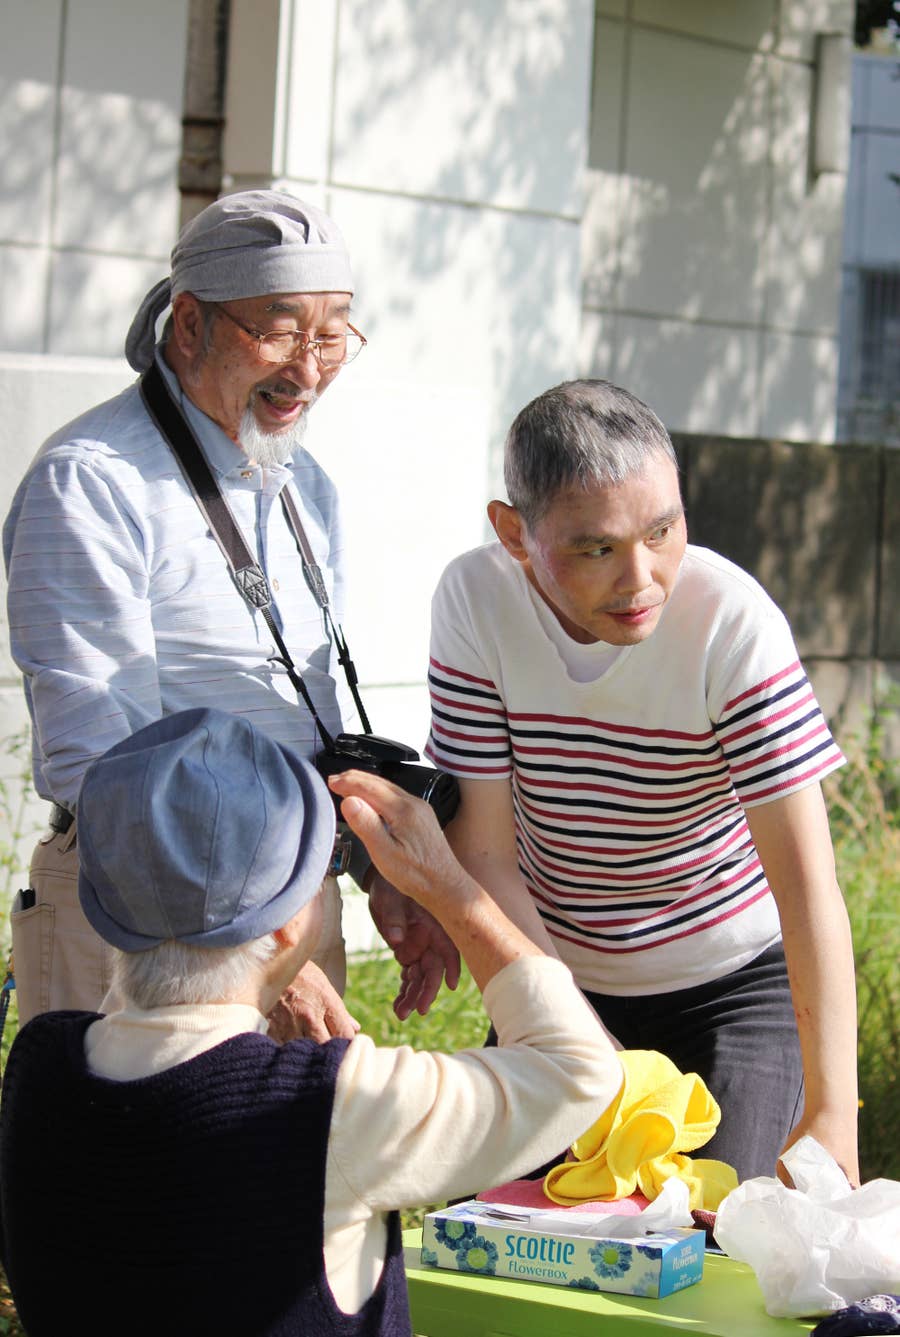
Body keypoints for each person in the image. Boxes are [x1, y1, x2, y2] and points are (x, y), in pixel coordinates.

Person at [0, 707, 623, 1337]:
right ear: (288, 926)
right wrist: (445, 884)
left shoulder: (39, 1065)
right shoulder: (328, 1108)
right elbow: (579, 1069)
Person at [3, 188, 454, 1032]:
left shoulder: (303, 485)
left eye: (331, 335)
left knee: (283, 1169)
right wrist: (245, 956)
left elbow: (302, 717)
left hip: (283, 904)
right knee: (128, 1169)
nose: (310, 369)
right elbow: (98, 760)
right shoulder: (93, 480)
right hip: (146, 932)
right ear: (187, 325)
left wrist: (373, 868)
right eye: (281, 330)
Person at [424, 378, 859, 1186]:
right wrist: (580, 1041)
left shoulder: (731, 621)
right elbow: (483, 851)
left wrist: (833, 1107)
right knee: (511, 1236)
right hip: (558, 968)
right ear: (514, 533)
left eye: (663, 531)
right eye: (596, 548)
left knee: (720, 1249)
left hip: (734, 982)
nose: (642, 579)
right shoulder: (475, 600)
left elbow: (806, 884)